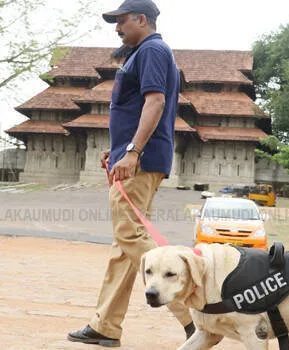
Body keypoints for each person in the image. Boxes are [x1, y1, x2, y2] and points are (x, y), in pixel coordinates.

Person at [67, 0, 194, 346]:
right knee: (124, 247)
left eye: (121, 20)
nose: (116, 27)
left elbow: (155, 103)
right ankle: (105, 326)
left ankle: (191, 312)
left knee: (132, 235)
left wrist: (133, 151)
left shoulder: (152, 50)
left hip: (141, 160)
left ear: (141, 19)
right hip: (136, 156)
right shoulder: (143, 53)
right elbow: (138, 107)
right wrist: (122, 146)